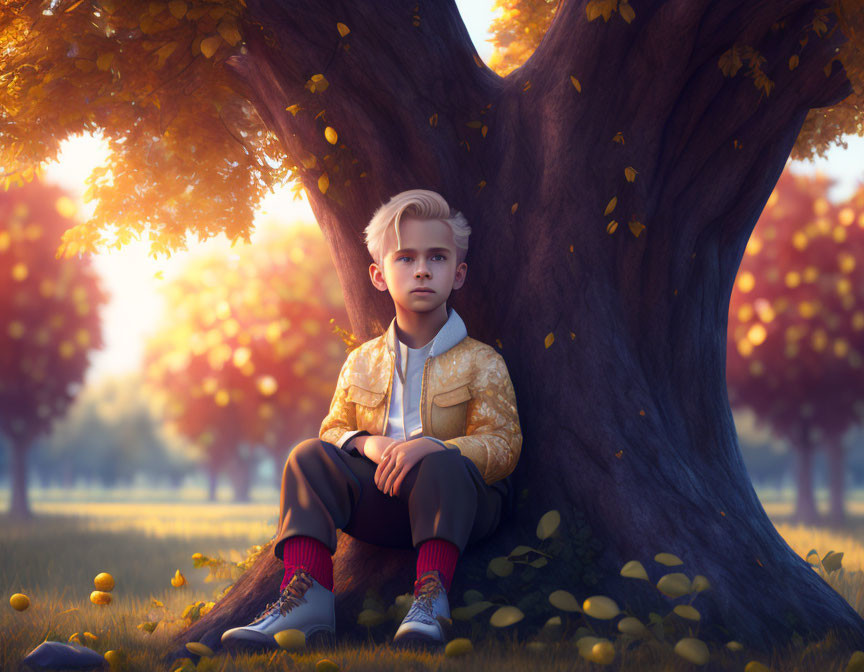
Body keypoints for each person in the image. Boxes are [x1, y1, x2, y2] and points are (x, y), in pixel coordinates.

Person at [221, 188, 522, 652]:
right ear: (379, 276)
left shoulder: (482, 362)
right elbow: (332, 429)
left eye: (437, 258)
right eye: (405, 258)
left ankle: (431, 597)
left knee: (442, 465)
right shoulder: (361, 361)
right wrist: (367, 444)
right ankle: (307, 599)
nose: (422, 269)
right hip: (382, 500)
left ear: (457, 273)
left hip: (459, 504)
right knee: (308, 457)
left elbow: (504, 444)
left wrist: (436, 446)